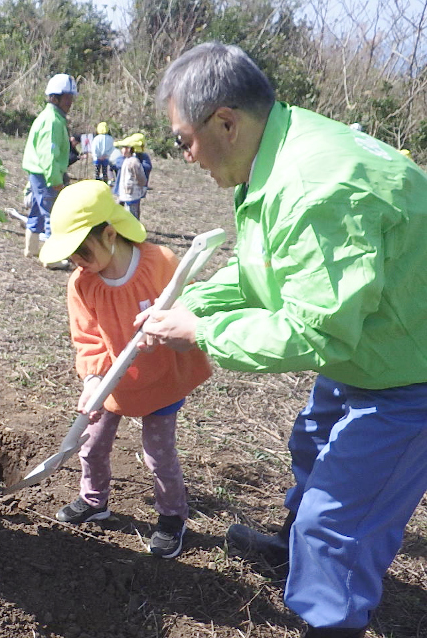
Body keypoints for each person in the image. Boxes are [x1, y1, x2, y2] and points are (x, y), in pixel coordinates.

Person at [140, 41, 427, 638]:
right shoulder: (274, 156)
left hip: (408, 371)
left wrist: (201, 331)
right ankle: (295, 553)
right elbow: (263, 275)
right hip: (371, 345)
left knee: (336, 524)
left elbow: (315, 327)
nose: (185, 156)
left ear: (226, 121)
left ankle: (328, 614)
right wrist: (189, 303)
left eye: (182, 140)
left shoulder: (314, 186)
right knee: (311, 443)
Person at [39, 180, 212, 559]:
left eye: (81, 252)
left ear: (110, 233)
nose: (76, 263)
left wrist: (172, 331)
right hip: (113, 381)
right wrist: (93, 378)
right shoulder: (82, 285)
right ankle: (94, 498)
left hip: (162, 379)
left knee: (157, 454)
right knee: (91, 443)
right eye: (70, 257)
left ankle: (171, 517)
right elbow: (87, 338)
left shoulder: (159, 263)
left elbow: (190, 312)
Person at [21, 73, 77, 257]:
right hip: (46, 176)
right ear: (55, 98)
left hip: (40, 174)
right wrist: (55, 180)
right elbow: (48, 155)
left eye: (71, 97)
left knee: (37, 212)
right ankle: (52, 258)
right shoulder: (52, 121)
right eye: (66, 98)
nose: (70, 102)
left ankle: (31, 250)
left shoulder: (52, 118)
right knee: (53, 217)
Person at [114, 133, 150, 219]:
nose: (122, 150)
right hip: (124, 191)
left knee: (132, 215)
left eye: (124, 148)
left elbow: (142, 177)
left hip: (132, 193)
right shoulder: (126, 159)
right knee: (122, 209)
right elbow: (117, 163)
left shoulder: (135, 161)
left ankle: (134, 230)